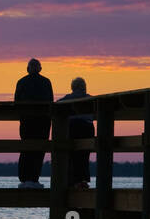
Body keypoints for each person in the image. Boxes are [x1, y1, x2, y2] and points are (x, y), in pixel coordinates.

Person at [14, 58, 53, 188]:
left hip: (27, 121)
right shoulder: (46, 82)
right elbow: (51, 102)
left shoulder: (22, 82)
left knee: (26, 148)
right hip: (43, 122)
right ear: (40, 69)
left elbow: (16, 102)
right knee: (39, 150)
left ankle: (24, 178)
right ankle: (35, 178)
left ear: (27, 69)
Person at [60, 77, 94, 189]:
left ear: (72, 88)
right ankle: (83, 180)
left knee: (71, 154)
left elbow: (57, 105)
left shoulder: (68, 98)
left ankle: (72, 180)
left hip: (72, 127)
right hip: (87, 128)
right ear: (84, 87)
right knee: (84, 155)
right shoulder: (91, 99)